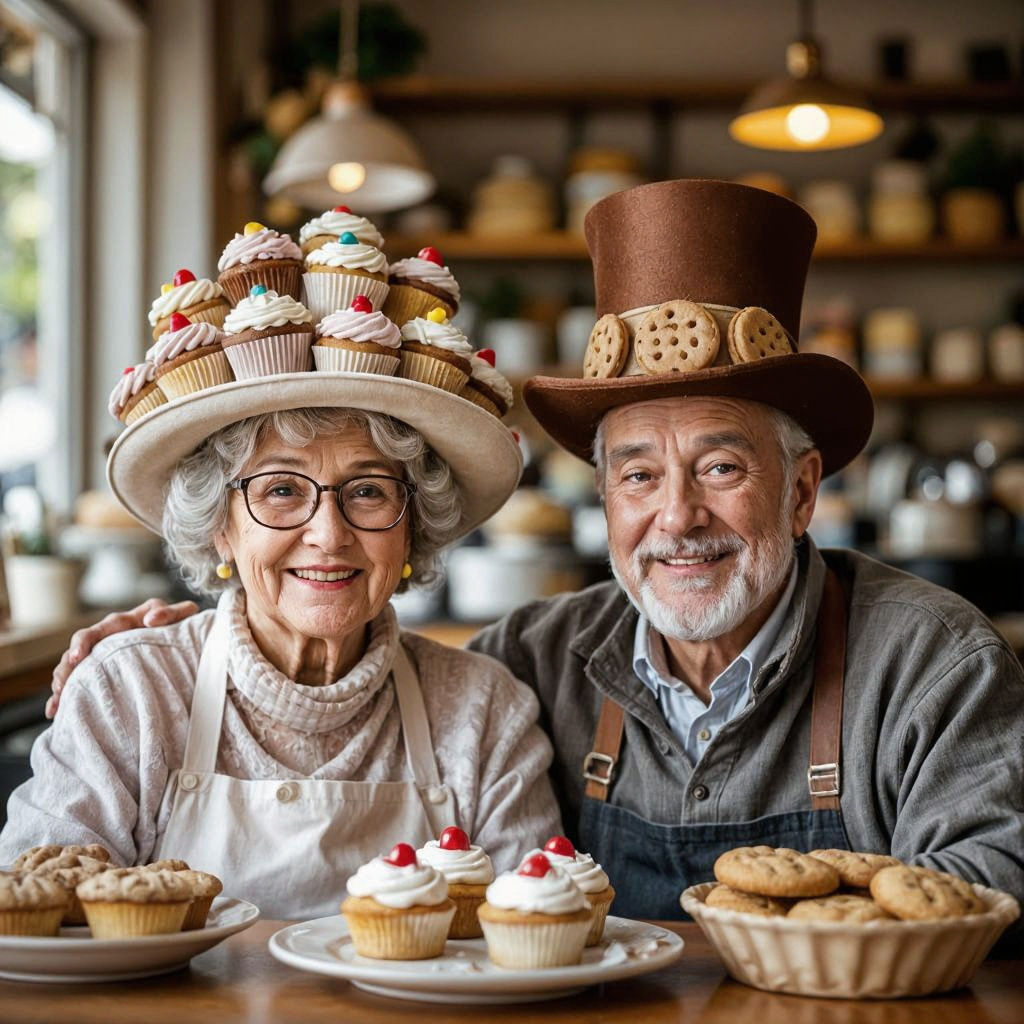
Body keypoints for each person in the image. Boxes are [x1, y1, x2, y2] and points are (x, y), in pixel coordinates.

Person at [43, 181, 1024, 920]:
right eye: (638, 474)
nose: (676, 517)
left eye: (721, 467)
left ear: (802, 490)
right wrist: (153, 656)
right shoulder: (537, 660)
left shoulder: (933, 664)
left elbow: (988, 909)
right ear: (603, 499)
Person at [1, 360, 561, 918]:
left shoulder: (484, 709)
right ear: (221, 528)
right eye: (282, 490)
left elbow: (537, 938)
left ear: (412, 528)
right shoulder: (131, 690)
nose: (329, 534)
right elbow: (33, 923)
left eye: (368, 491)